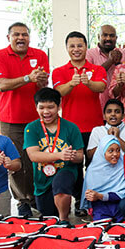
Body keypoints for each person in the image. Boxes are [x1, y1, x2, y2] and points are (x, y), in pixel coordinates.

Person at [0, 22, 49, 217]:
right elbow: (2, 84)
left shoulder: (39, 55)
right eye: (16, 34)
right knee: (15, 163)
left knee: (36, 161)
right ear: (9, 37)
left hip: (37, 120)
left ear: (29, 37)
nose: (21, 38)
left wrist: (40, 81)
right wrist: (27, 78)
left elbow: (42, 87)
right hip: (10, 119)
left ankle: (36, 197)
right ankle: (22, 201)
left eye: (24, 34)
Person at [52, 31, 107, 216]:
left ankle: (90, 201)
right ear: (67, 48)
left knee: (94, 166)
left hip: (95, 128)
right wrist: (72, 83)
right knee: (73, 167)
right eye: (72, 46)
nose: (76, 49)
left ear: (86, 47)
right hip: (70, 129)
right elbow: (58, 92)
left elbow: (101, 87)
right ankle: (77, 201)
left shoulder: (97, 69)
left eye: (80, 45)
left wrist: (88, 83)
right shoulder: (59, 71)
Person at [24, 88, 84, 221]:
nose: (46, 112)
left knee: (61, 184)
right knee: (49, 217)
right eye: (41, 107)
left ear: (59, 106)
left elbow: (80, 156)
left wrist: (72, 156)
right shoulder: (31, 128)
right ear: (36, 107)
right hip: (42, 178)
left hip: (65, 171)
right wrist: (59, 155)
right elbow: (33, 156)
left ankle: (64, 220)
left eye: (50, 107)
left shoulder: (71, 128)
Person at [81, 135, 125, 222]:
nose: (115, 154)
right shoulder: (93, 170)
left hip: (118, 204)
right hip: (100, 205)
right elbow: (90, 195)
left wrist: (100, 196)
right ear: (102, 152)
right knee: (102, 227)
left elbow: (124, 193)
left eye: (118, 150)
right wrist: (95, 197)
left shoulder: (123, 165)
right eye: (110, 151)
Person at [86, 25, 125, 109]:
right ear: (99, 37)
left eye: (112, 36)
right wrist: (110, 61)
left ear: (116, 38)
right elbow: (90, 76)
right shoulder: (89, 54)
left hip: (123, 107)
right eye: (105, 35)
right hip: (98, 106)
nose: (108, 38)